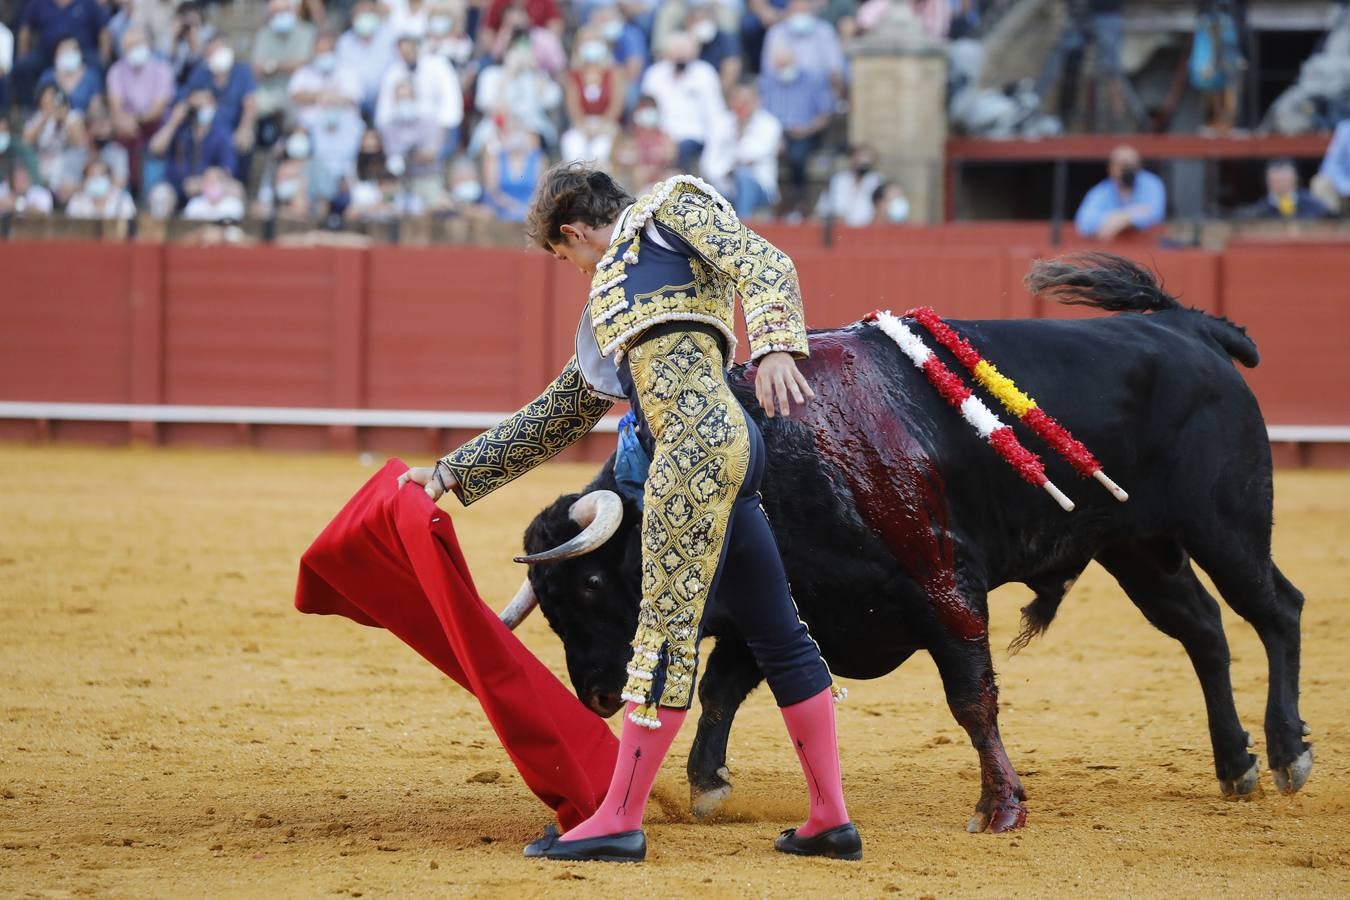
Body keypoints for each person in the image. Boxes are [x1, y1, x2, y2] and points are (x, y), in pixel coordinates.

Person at [397, 162, 860, 864]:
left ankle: (618, 818)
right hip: (726, 447)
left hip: (693, 452)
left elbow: (766, 261)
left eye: (565, 257)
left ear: (575, 231)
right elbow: (560, 416)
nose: (576, 271)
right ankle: (829, 818)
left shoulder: (671, 205)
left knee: (664, 637)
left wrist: (774, 345)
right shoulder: (612, 298)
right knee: (780, 635)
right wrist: (454, 473)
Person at [1035, 0, 1146, 132]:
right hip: (1081, 16)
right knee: (1064, 59)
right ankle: (1037, 104)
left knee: (1111, 71)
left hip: (1106, 14)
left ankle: (1126, 121)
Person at [758, 45, 833, 219]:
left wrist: (808, 129)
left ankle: (798, 202)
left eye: (785, 64)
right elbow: (761, 112)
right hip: (772, 131)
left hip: (805, 132)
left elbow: (825, 113)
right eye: (779, 65)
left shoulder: (812, 80)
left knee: (797, 156)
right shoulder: (767, 82)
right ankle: (770, 203)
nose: (782, 69)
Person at [639, 32, 726, 172]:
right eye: (676, 51)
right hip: (660, 134)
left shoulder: (705, 74)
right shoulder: (655, 74)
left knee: (680, 151)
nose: (680, 56)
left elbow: (715, 113)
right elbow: (646, 109)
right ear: (667, 53)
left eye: (684, 51)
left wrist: (713, 148)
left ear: (694, 52)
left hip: (693, 136)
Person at [107, 27, 174, 198]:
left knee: (155, 149)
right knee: (118, 144)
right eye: (129, 46)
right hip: (127, 129)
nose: (133, 49)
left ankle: (149, 195)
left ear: (147, 45)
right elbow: (116, 108)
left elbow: (158, 108)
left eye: (137, 44)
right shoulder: (116, 71)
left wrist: (136, 121)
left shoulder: (162, 69)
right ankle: (124, 197)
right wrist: (126, 123)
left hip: (154, 127)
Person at [700, 81, 782, 218]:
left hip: (761, 188)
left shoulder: (770, 124)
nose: (742, 105)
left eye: (746, 101)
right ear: (730, 101)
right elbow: (708, 162)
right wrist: (723, 173)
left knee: (743, 175)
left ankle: (742, 226)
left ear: (757, 101)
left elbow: (749, 155)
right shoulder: (720, 122)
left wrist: (739, 134)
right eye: (738, 100)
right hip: (724, 187)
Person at [375, 34, 463, 161]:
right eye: (402, 52)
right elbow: (383, 112)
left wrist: (441, 130)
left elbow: (451, 103)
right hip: (402, 126)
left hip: (435, 126)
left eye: (409, 50)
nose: (406, 54)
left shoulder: (438, 66)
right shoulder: (393, 72)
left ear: (417, 48)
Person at [12, 0, 110, 107]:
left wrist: (104, 55)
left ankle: (95, 107)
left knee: (99, 64)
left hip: (81, 53)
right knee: (21, 67)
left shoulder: (88, 3)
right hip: (47, 54)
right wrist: (22, 53)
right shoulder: (38, 3)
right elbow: (25, 27)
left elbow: (103, 29)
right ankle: (29, 109)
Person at [148, 86, 237, 203]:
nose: (200, 109)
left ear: (213, 103)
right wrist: (173, 121)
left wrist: (201, 183)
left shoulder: (221, 132)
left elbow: (227, 170)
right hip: (175, 186)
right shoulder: (180, 128)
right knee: (160, 196)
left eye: (204, 104)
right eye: (196, 106)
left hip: (207, 188)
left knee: (235, 191)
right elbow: (154, 149)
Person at [179, 37, 257, 167]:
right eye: (212, 52)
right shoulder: (201, 74)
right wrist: (195, 98)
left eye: (219, 50)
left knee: (243, 141)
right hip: (205, 129)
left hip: (233, 129)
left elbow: (250, 103)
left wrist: (245, 128)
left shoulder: (242, 72)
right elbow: (184, 97)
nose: (216, 55)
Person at [559, 32, 625, 166]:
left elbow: (617, 104)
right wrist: (583, 126)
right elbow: (573, 104)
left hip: (607, 123)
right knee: (573, 148)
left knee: (600, 151)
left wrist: (602, 126)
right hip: (581, 124)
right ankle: (575, 186)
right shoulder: (574, 75)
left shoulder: (613, 73)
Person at [1073, 144, 1166, 239]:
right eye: (1123, 165)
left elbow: (1155, 215)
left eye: (1131, 165)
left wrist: (1123, 219)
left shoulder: (1152, 184)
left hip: (1147, 248)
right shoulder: (1101, 191)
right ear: (1111, 168)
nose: (1127, 170)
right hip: (1111, 250)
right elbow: (1084, 223)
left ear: (1139, 166)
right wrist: (1123, 216)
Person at [252, 0, 317, 132]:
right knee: (251, 105)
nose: (280, 15)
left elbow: (302, 64)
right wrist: (284, 66)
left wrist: (272, 66)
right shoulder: (263, 33)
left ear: (292, 11)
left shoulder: (307, 31)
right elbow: (257, 69)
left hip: (300, 90)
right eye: (276, 12)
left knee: (303, 113)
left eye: (284, 11)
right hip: (271, 89)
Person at [761, 0, 846, 96]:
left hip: (819, 92)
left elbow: (836, 70)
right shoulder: (776, 32)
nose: (801, 7)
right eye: (797, 4)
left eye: (805, 4)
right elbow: (768, 73)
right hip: (785, 92)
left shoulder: (825, 31)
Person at [336, 1, 397, 116]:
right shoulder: (344, 41)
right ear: (353, 16)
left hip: (386, 97)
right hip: (355, 99)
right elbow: (344, 74)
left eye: (369, 12)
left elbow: (396, 70)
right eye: (361, 13)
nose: (365, 17)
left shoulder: (390, 36)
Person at [482, 117, 544, 221]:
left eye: (518, 131)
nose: (515, 137)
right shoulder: (496, 158)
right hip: (501, 210)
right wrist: (512, 207)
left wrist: (527, 209)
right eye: (510, 132)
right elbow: (492, 190)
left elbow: (541, 190)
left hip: (530, 211)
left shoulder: (537, 159)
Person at [612, 94, 676, 192]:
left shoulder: (664, 135)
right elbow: (618, 158)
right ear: (636, 112)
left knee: (674, 175)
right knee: (638, 174)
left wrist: (655, 169)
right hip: (634, 179)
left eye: (651, 109)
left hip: (659, 176)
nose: (648, 113)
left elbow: (670, 155)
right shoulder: (628, 135)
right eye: (644, 109)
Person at [1236, 158, 1334, 221]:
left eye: (1284, 180)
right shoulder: (1258, 211)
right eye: (1276, 180)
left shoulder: (1315, 206)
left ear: (1295, 179)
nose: (1281, 184)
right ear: (1268, 182)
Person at [814, 144, 883, 226]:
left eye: (867, 159)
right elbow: (830, 208)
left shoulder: (877, 180)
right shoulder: (839, 179)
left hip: (867, 228)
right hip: (841, 227)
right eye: (859, 157)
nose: (862, 162)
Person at [36, 37, 102, 112]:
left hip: (84, 121)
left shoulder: (91, 75)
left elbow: (96, 108)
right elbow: (42, 108)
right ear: (56, 54)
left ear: (80, 53)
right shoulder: (47, 77)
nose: (69, 53)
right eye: (65, 50)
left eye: (73, 50)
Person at [65, 157, 137, 218]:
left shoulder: (123, 199)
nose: (96, 179)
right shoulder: (77, 200)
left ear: (109, 178)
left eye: (101, 175)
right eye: (92, 175)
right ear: (85, 180)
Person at [1311, 118, 1350, 216]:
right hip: (1345, 189)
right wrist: (1346, 187)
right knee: (1321, 183)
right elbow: (1330, 167)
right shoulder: (1345, 129)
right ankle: (1331, 226)